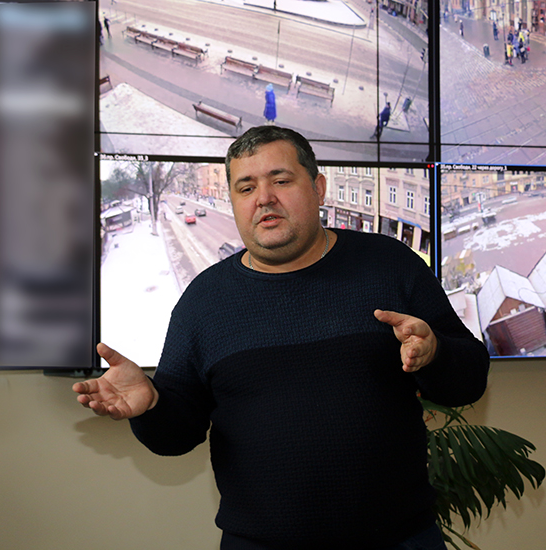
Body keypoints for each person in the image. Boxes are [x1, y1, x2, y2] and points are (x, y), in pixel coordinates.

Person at [73, 126, 490, 550]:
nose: (264, 198)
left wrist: (435, 353)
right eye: (246, 187)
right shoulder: (203, 302)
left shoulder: (391, 264)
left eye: (281, 180)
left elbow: (470, 380)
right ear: (234, 201)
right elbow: (177, 436)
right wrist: (151, 405)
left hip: (402, 540)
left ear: (318, 188)